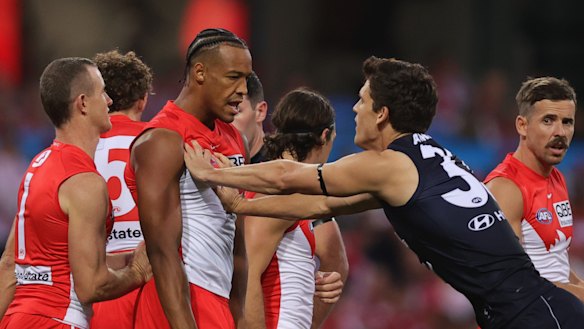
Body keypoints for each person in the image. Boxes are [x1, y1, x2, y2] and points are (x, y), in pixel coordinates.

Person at [183, 56, 584, 329]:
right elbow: (322, 202)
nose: (354, 109)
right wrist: (237, 202)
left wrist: (216, 173)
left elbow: (291, 175)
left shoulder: (391, 163)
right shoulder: (423, 158)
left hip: (532, 315)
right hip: (529, 310)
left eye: (362, 101)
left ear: (382, 113)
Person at [0, 57, 151, 329]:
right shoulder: (85, 182)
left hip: (17, 319)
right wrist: (137, 272)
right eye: (102, 92)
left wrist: (124, 259)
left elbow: (10, 265)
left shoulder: (36, 166)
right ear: (82, 103)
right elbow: (91, 287)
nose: (108, 101)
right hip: (59, 320)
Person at [130, 28, 252, 329]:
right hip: (178, 305)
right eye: (233, 77)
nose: (243, 89)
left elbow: (237, 244)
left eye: (246, 78)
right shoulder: (163, 141)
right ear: (200, 73)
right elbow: (162, 253)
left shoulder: (236, 138)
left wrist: (239, 317)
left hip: (218, 302)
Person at [233, 73, 348, 328]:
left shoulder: (294, 190)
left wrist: (313, 278)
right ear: (325, 136)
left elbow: (334, 260)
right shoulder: (280, 193)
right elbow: (246, 274)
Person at [484, 77, 583, 300]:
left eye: (567, 122)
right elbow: (510, 279)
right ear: (522, 125)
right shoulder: (506, 188)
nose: (560, 132)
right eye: (548, 120)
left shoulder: (557, 178)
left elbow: (555, 263)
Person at [90, 50, 154, 329]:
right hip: (158, 277)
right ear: (143, 100)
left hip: (101, 283)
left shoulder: (79, 148)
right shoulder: (163, 141)